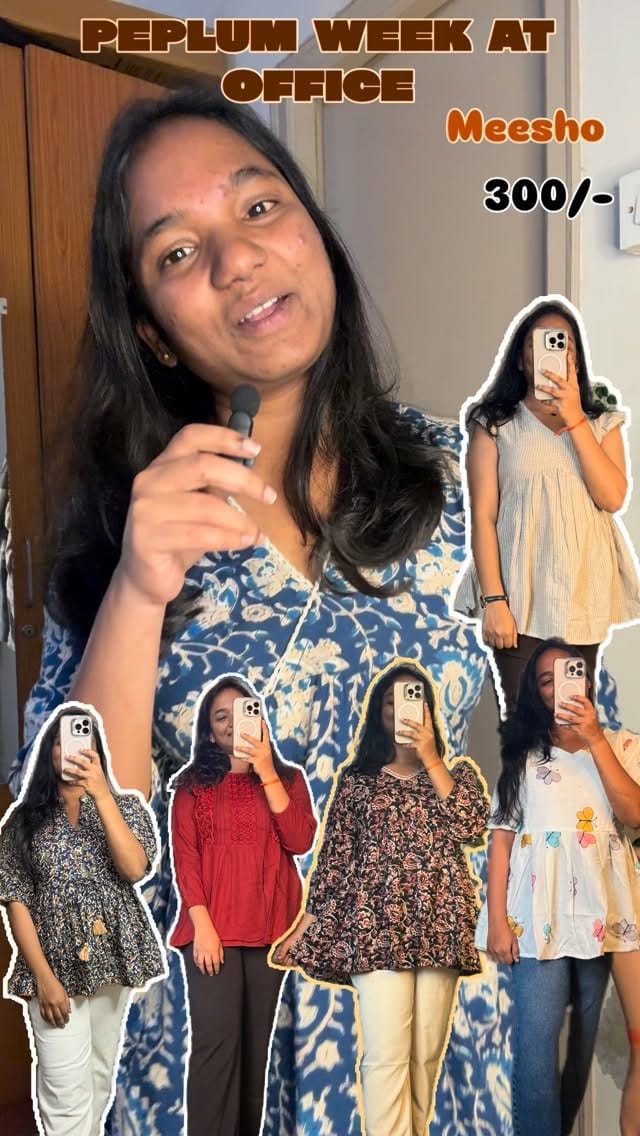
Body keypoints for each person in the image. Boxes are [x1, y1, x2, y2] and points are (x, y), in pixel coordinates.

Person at [9, 86, 493, 1134]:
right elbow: (65, 847)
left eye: (259, 206)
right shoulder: (115, 540)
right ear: (154, 332)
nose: (236, 259)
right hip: (204, 1024)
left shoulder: (456, 482)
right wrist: (137, 592)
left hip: (425, 1013)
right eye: (178, 251)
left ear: (314, 231)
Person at [273, 664, 489, 1136]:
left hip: (439, 924)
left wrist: (430, 757)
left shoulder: (458, 776)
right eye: (391, 702)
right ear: (379, 713)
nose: (400, 710)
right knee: (386, 1054)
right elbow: (334, 861)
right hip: (374, 926)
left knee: (425, 1056)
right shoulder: (357, 782)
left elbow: (471, 828)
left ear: (428, 710)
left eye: (412, 699)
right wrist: (304, 928)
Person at [477, 638, 640, 1136]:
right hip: (537, 915)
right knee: (537, 1051)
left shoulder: (623, 745)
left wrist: (595, 739)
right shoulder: (523, 757)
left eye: (568, 673)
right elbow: (501, 843)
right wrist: (498, 921)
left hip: (609, 913)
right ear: (537, 692)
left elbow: (633, 814)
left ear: (585, 679)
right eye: (546, 680)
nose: (559, 687)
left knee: (584, 1050)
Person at [452, 297, 640, 711]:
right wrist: (494, 602)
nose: (551, 351)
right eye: (539, 342)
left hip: (583, 597)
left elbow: (611, 498)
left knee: (572, 726)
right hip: (518, 601)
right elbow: (483, 517)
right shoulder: (495, 424)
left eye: (562, 342)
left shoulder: (601, 422)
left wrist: (574, 417)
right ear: (521, 359)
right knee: (526, 729)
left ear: (576, 359)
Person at [0, 704, 165, 1136]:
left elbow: (133, 869)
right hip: (51, 966)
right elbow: (16, 901)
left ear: (96, 750)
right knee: (63, 1091)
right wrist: (44, 978)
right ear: (49, 753)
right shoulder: (23, 821)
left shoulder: (126, 807)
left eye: (81, 739)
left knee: (97, 1079)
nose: (70, 749)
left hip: (113, 958)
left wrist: (103, 796)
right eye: (60, 742)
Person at [168, 678, 316, 1136]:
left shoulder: (289, 780)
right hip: (210, 932)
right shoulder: (191, 787)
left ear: (260, 719)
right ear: (210, 733)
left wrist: (266, 768)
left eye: (241, 712)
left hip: (271, 932)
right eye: (221, 717)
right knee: (216, 1048)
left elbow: (300, 840)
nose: (232, 724)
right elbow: (186, 860)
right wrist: (202, 926)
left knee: (255, 1057)